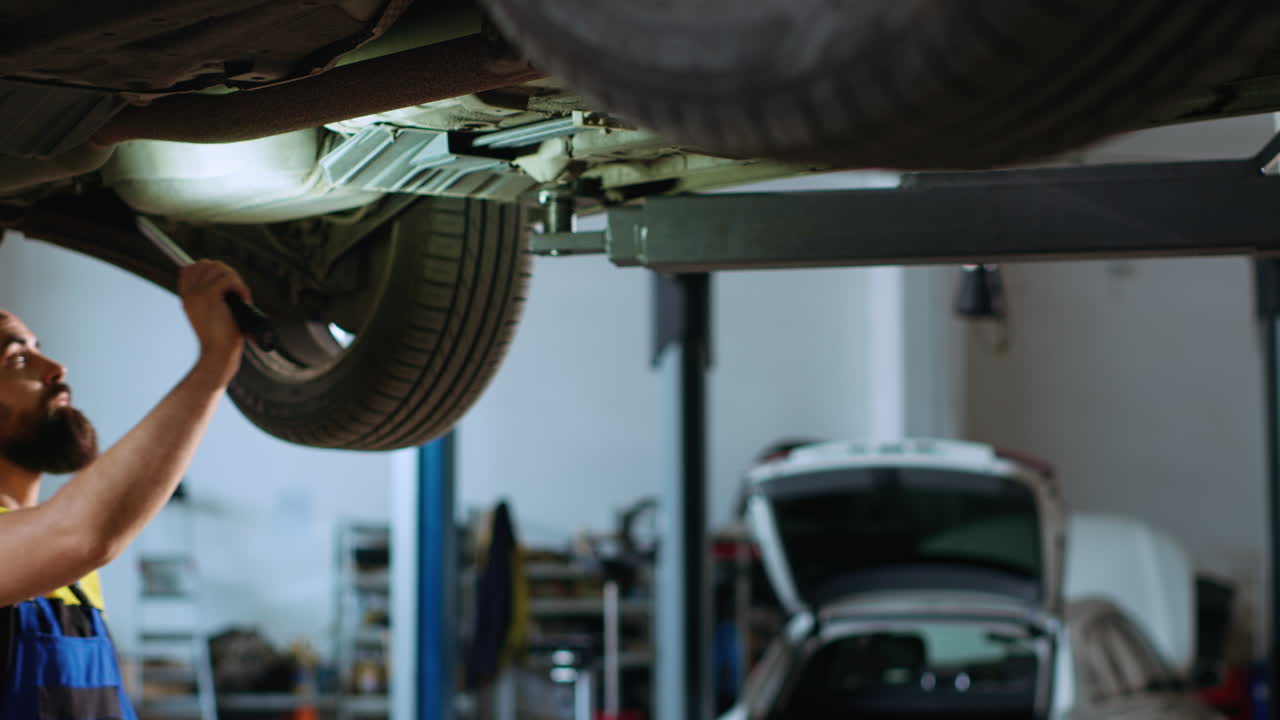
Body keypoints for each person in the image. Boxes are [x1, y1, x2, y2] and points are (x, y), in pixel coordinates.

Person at [0, 259, 250, 719]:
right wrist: (216, 361)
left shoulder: (71, 574)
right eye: (18, 359)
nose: (56, 367)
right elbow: (85, 533)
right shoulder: (69, 541)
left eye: (40, 348)